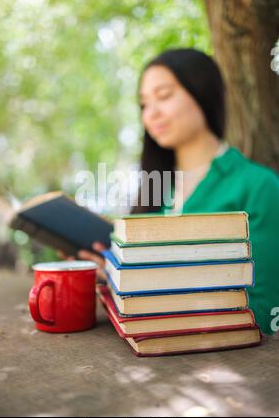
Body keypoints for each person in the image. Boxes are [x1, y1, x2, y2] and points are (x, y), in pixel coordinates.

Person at [60, 48, 279, 335]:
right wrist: (111, 275)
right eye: (143, 104)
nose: (151, 114)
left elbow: (265, 310)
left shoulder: (260, 186)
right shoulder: (153, 188)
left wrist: (143, 292)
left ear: (203, 93)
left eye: (163, 96)